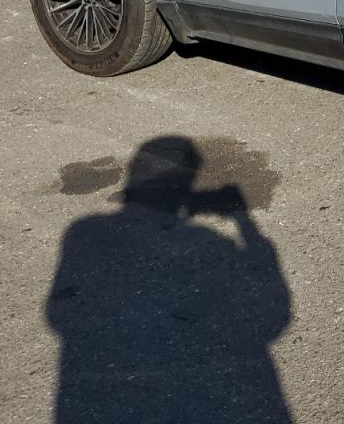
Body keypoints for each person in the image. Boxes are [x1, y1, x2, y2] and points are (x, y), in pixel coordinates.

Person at [46, 136, 292, 423]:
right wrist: (245, 223)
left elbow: (59, 315)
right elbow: (271, 317)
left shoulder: (83, 232)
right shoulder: (209, 242)